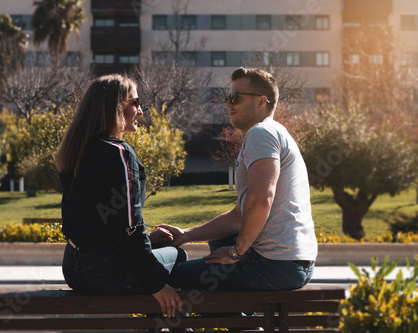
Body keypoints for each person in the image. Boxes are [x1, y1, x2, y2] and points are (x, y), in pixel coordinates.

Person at [159, 67, 317, 291]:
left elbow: (263, 199)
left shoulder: (261, 133)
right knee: (220, 241)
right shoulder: (273, 132)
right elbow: (238, 217)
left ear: (261, 102)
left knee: (170, 277)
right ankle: (244, 320)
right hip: (292, 264)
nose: (228, 104)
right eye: (227, 97)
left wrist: (237, 252)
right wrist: (185, 235)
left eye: (235, 98)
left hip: (276, 264)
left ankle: (242, 323)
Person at [55, 74, 186, 317]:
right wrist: (157, 285)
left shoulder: (76, 149)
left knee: (154, 255)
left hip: (73, 267)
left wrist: (150, 239)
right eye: (134, 103)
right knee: (179, 256)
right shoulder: (118, 153)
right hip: (104, 272)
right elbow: (130, 228)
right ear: (115, 107)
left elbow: (99, 220)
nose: (141, 111)